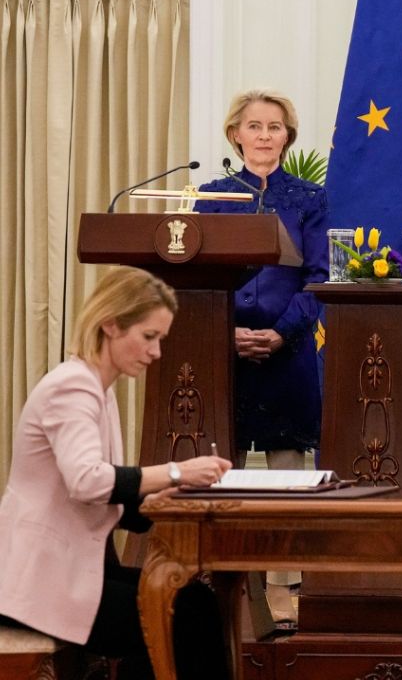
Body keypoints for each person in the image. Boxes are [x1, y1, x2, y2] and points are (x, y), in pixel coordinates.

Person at [0, 267, 232, 678]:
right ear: (110, 324)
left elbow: (110, 500)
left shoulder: (95, 389)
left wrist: (160, 501)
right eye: (149, 337)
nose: (157, 352)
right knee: (186, 614)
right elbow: (88, 482)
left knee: (191, 602)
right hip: (39, 581)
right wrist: (177, 472)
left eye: (160, 339)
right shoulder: (72, 387)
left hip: (67, 569)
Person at [195, 89, 328, 623]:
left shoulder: (309, 199)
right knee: (218, 462)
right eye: (255, 126)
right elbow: (199, 275)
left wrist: (280, 333)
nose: (265, 136)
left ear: (287, 137)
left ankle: (283, 586)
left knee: (286, 467)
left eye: (275, 127)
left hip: (288, 350)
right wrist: (227, 334)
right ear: (236, 135)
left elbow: (320, 276)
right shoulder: (213, 196)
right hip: (223, 353)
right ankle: (223, 579)